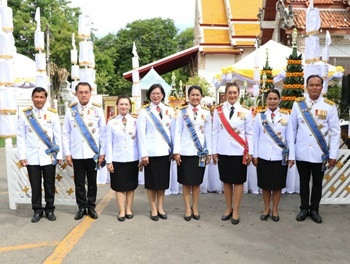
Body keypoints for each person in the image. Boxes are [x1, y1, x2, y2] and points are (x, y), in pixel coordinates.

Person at [291, 75, 340, 223]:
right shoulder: (298, 104)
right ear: (306, 87)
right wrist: (292, 154)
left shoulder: (329, 106)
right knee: (303, 182)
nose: (314, 87)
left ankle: (315, 210)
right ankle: (304, 208)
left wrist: (333, 154)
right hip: (302, 152)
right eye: (311, 85)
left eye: (317, 85)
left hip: (320, 154)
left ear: (322, 87)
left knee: (317, 183)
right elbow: (292, 130)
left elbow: (335, 131)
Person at [17, 87, 62, 223]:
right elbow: (21, 136)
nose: (39, 99)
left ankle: (49, 209)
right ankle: (37, 210)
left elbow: (57, 135)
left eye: (41, 97)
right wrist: (22, 155)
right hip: (32, 157)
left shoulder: (52, 114)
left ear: (45, 98)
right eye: (36, 97)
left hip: (48, 157)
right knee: (35, 186)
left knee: (49, 185)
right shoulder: (25, 114)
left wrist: (59, 155)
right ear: (32, 98)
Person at [63, 82, 106, 220]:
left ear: (90, 93)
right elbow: (66, 133)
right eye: (80, 92)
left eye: (86, 92)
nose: (83, 94)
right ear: (76, 94)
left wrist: (102, 152)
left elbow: (104, 134)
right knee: (79, 183)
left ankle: (91, 206)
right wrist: (67, 153)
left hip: (92, 153)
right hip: (76, 153)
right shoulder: (71, 111)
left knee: (92, 182)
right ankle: (81, 207)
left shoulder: (97, 110)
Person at [212, 82, 253, 225]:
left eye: (235, 92)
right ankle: (228, 208)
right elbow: (215, 132)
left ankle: (236, 210)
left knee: (239, 181)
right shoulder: (218, 111)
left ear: (239, 94)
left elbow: (250, 133)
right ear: (225, 94)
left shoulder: (246, 111)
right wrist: (214, 151)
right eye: (229, 92)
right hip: (223, 151)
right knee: (227, 181)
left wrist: (250, 153)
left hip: (239, 152)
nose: (232, 95)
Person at [252, 89, 295, 222]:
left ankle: (275, 209)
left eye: (275, 98)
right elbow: (255, 137)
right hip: (264, 155)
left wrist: (291, 156)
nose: (272, 101)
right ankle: (266, 209)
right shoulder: (260, 116)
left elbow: (289, 137)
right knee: (265, 185)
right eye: (270, 99)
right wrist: (255, 155)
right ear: (266, 100)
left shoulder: (286, 116)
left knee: (277, 185)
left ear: (279, 100)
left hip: (279, 156)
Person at [137, 84, 175, 221]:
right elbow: (141, 134)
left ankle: (160, 207)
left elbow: (173, 132)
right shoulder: (144, 111)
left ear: (163, 95)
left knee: (162, 183)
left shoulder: (169, 110)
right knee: (151, 183)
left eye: (158, 93)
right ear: (149, 96)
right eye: (153, 93)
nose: (156, 96)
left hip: (165, 151)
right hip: (150, 153)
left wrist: (174, 151)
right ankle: (153, 208)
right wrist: (143, 154)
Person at [173, 85, 211, 221]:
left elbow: (208, 133)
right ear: (188, 97)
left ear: (201, 97)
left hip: (200, 152)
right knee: (185, 182)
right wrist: (176, 151)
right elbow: (177, 133)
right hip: (185, 152)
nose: (195, 97)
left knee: (196, 182)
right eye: (192, 95)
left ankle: (195, 207)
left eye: (197, 95)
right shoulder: (181, 112)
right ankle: (187, 208)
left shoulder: (206, 112)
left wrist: (209, 152)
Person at [106, 95, 139, 222]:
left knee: (130, 186)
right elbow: (108, 142)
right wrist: (109, 161)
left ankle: (129, 209)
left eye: (126, 104)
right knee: (119, 186)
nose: (124, 106)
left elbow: (139, 141)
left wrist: (141, 158)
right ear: (117, 106)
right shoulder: (111, 122)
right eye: (121, 104)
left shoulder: (136, 121)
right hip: (117, 158)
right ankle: (122, 210)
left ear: (130, 106)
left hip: (132, 157)